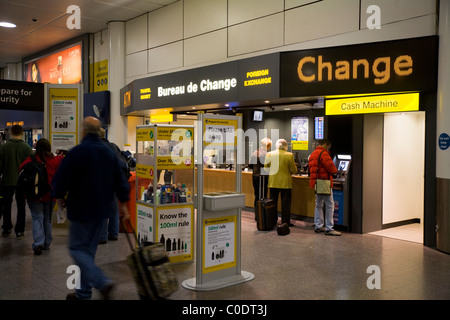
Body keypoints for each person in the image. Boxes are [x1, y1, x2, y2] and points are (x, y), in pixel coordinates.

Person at [52, 116, 130, 300]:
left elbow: (60, 179)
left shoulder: (77, 152)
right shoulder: (109, 152)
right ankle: (83, 293)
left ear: (84, 132)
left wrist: (60, 196)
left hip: (81, 210)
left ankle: (102, 282)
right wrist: (123, 203)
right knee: (87, 253)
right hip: (101, 212)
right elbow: (121, 179)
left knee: (77, 250)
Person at [19, 138, 63, 255]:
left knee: (37, 217)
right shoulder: (55, 160)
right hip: (50, 194)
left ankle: (38, 243)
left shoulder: (31, 159)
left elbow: (21, 169)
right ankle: (47, 243)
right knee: (47, 218)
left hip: (34, 195)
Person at [0, 125, 32, 239]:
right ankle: (19, 231)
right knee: (21, 205)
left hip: (7, 181)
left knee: (6, 205)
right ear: (22, 133)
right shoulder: (27, 148)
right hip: (22, 182)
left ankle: (7, 227)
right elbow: (30, 166)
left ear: (11, 132)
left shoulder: (4, 147)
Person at [98, 127, 127, 244]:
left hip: (102, 183)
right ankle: (114, 233)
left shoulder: (97, 148)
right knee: (114, 209)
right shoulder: (113, 146)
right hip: (114, 182)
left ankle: (102, 236)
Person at [308, 138, 341, 236]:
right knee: (330, 205)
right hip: (324, 182)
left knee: (318, 205)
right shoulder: (324, 154)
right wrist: (336, 171)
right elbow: (331, 168)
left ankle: (318, 226)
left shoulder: (313, 154)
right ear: (326, 144)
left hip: (316, 183)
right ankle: (329, 228)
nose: (329, 148)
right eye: (328, 146)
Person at [264, 139, 297, 227]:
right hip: (285, 183)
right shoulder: (289, 155)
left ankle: (273, 221)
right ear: (286, 146)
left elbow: (265, 168)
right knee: (286, 204)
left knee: (273, 203)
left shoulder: (269, 154)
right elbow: (293, 170)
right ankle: (285, 222)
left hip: (273, 182)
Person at [249, 137, 272, 220]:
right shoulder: (266, 154)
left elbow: (250, 165)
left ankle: (257, 215)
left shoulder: (254, 153)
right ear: (268, 146)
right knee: (262, 196)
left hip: (254, 176)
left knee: (257, 196)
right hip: (262, 177)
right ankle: (261, 216)